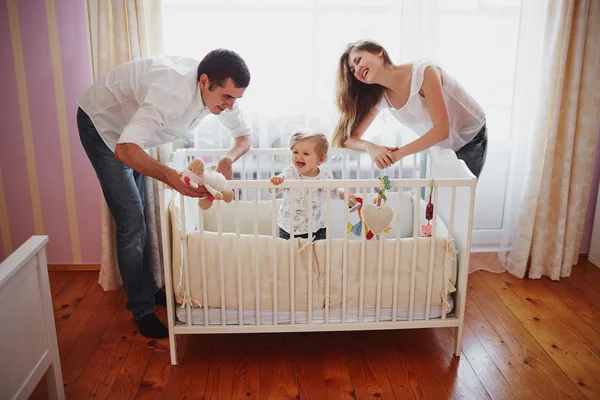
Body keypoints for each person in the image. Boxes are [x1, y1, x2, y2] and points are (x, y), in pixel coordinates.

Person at [77, 49, 253, 338]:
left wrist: (228, 160)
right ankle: (141, 308)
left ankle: (145, 289)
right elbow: (124, 149)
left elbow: (245, 136)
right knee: (131, 219)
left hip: (131, 133)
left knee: (140, 211)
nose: (231, 106)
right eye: (226, 98)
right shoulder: (172, 92)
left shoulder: (220, 91)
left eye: (236, 99)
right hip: (102, 126)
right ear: (205, 81)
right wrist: (171, 177)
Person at [332, 40, 487, 178]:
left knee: (460, 202)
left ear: (379, 52)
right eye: (352, 70)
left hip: (471, 137)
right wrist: (370, 146)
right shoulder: (380, 97)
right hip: (438, 147)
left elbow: (441, 130)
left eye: (358, 60)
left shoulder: (424, 72)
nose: (357, 69)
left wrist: (398, 154)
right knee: (431, 204)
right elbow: (348, 139)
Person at [270, 132, 356, 240]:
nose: (299, 156)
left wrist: (343, 193)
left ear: (320, 159)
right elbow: (274, 189)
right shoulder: (289, 173)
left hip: (317, 228)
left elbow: (333, 190)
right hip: (289, 228)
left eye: (306, 153)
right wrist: (275, 183)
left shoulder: (324, 176)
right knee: (289, 256)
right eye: (295, 152)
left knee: (318, 255)